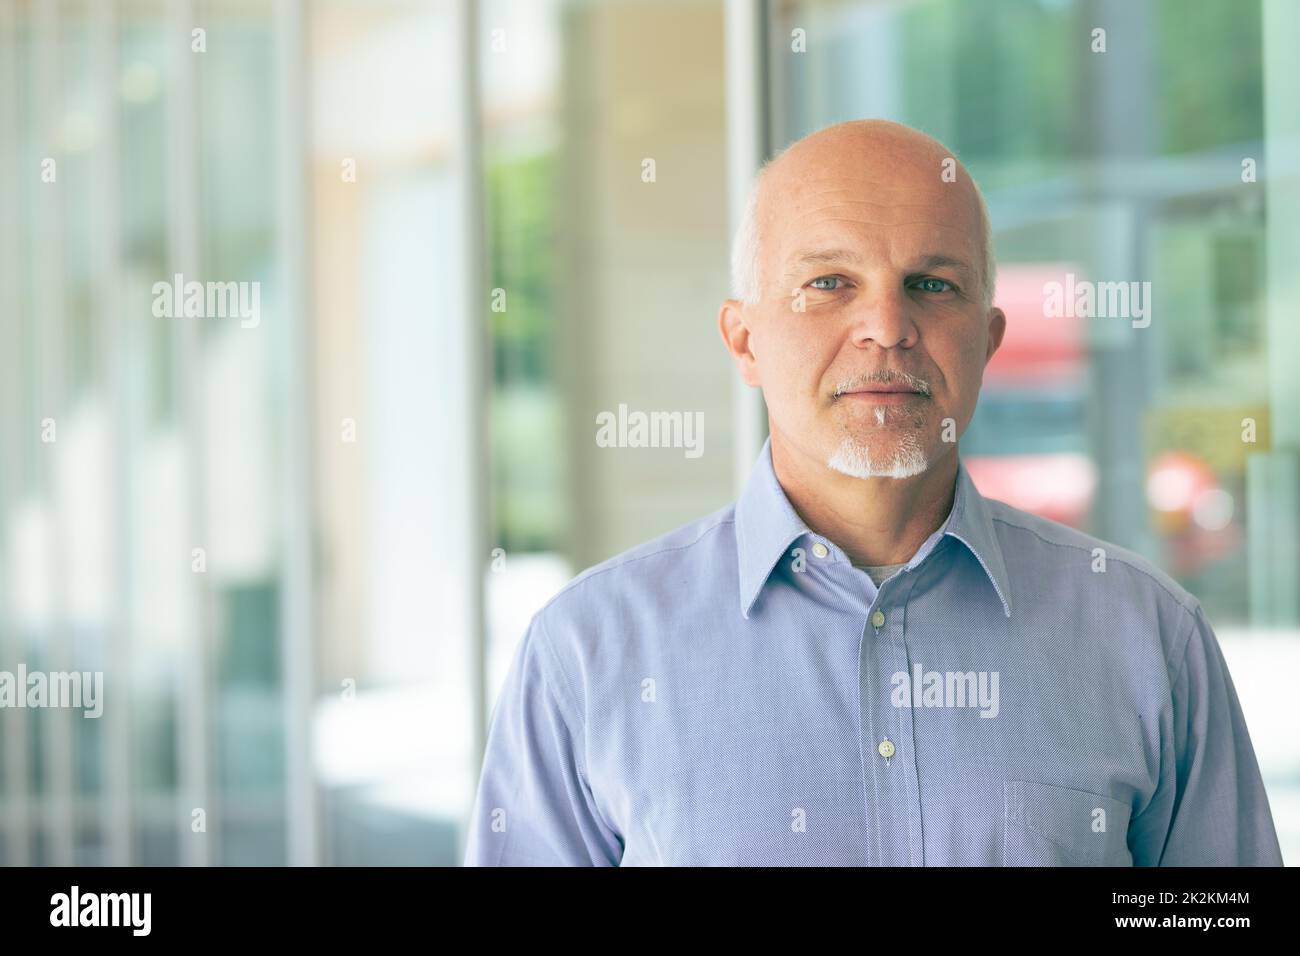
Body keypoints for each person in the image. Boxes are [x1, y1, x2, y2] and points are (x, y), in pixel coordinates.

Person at [463, 119, 1283, 866]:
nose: (887, 326)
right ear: (743, 339)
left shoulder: (1146, 638)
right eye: (828, 283)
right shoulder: (586, 653)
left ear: (988, 339)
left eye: (932, 284)